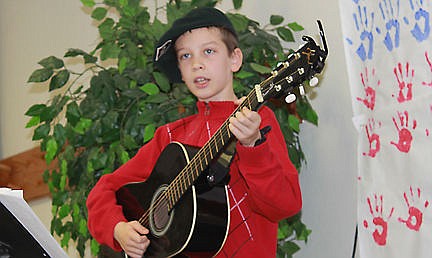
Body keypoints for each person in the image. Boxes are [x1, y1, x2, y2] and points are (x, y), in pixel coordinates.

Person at [86, 6, 302, 258]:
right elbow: (104, 190)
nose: (197, 64)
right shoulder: (169, 137)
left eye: (208, 51)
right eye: (185, 56)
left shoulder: (257, 120)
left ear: (234, 59)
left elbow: (284, 206)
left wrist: (253, 146)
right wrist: (118, 228)